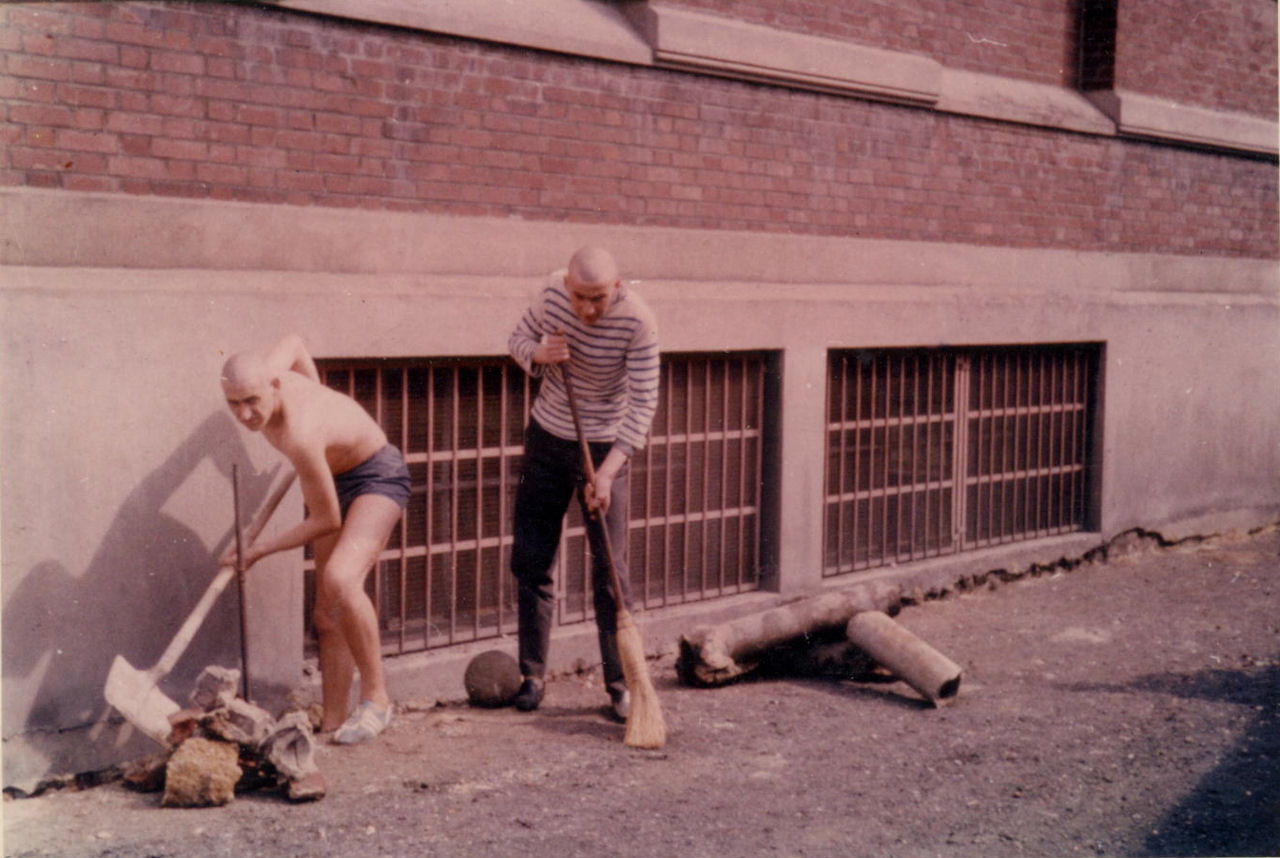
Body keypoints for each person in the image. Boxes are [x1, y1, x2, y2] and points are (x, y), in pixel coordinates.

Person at [219, 334, 410, 745]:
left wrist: (258, 550)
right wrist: (321, 396)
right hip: (333, 478)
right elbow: (294, 342)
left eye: (252, 401)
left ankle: (377, 700)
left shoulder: (301, 435)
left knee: (341, 579)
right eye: (233, 403)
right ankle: (332, 724)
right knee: (327, 613)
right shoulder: (270, 370)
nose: (245, 414)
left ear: (273, 385)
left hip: (377, 476)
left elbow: (326, 519)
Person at [507, 246, 660, 721]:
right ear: (567, 285)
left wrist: (608, 472)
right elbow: (516, 339)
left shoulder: (638, 321)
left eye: (598, 298)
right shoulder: (551, 295)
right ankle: (532, 675)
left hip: (605, 447)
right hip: (547, 439)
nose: (587, 309)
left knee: (610, 570)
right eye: (580, 297)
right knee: (532, 559)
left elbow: (643, 404)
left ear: (617, 287)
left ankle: (621, 685)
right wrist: (538, 353)